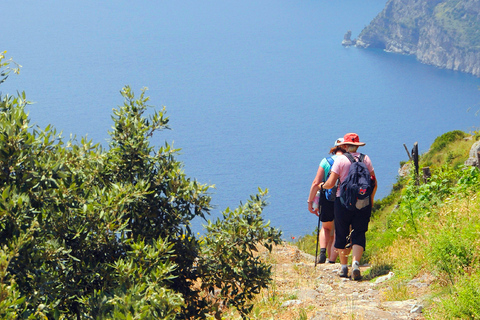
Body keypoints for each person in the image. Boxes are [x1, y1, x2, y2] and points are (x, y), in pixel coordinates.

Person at [319, 133, 377, 280]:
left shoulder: (341, 160)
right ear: (358, 145)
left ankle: (344, 268)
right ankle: (356, 264)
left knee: (342, 232)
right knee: (359, 232)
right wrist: (370, 199)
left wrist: (322, 186)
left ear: (344, 146)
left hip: (343, 202)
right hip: (363, 202)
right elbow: (374, 182)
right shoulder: (366, 159)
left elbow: (331, 183)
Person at [308, 138, 345, 264]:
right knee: (339, 230)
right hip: (343, 198)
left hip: (327, 198)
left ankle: (322, 252)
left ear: (334, 148)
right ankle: (332, 260)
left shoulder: (326, 161)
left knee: (326, 228)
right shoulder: (348, 161)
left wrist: (310, 201)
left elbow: (316, 182)